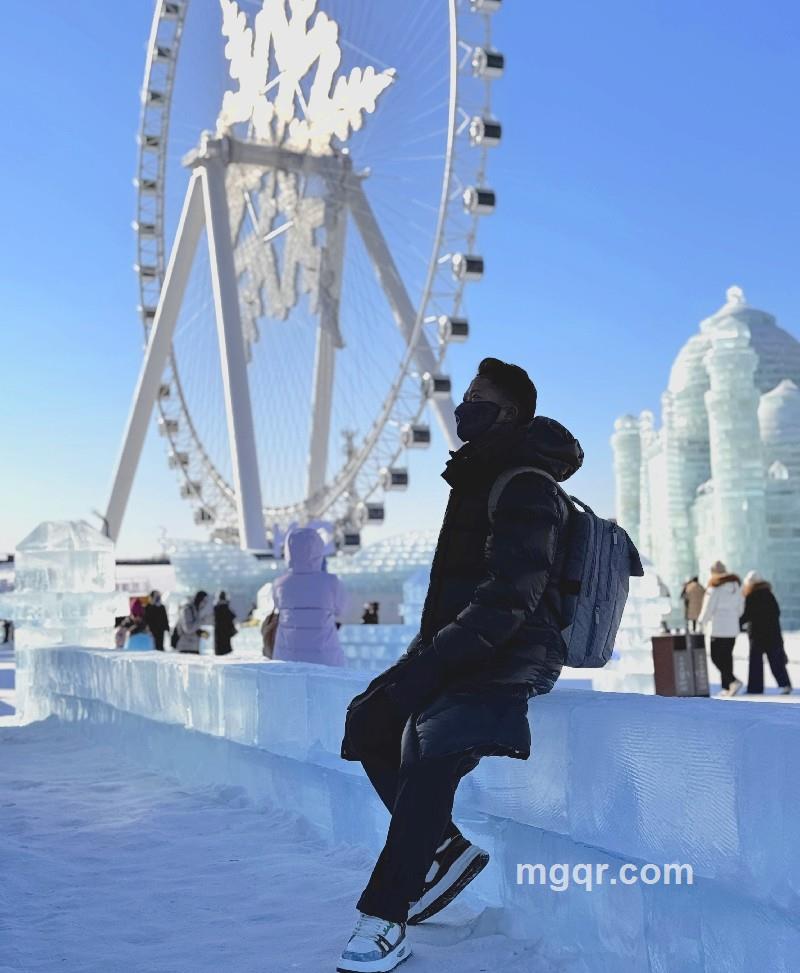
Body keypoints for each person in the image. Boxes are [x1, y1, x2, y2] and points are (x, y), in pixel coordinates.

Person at [337, 358, 583, 972]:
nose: (463, 407)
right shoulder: (482, 476)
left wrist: (435, 664)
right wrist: (426, 657)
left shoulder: (525, 482)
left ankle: (385, 916)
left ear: (509, 412)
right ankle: (443, 852)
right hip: (464, 645)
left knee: (430, 745)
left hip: (510, 653)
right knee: (369, 720)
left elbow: (510, 598)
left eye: (476, 398)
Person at [271, 528, 347, 666]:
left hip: (288, 656)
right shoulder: (331, 582)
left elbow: (277, 607)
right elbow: (341, 610)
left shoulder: (279, 584)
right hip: (325, 656)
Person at [741, 571, 791, 695]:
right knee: (776, 660)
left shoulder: (751, 596)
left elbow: (746, 615)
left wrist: (737, 624)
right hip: (773, 633)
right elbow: (777, 612)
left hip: (757, 634)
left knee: (755, 662)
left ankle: (755, 687)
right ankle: (785, 684)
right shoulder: (769, 594)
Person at [698, 561, 744, 697]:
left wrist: (701, 622)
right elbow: (741, 608)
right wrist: (733, 618)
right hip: (732, 629)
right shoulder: (736, 587)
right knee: (727, 658)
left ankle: (732, 681)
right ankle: (728, 687)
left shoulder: (714, 587)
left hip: (718, 629)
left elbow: (708, 608)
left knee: (715, 657)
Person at [213, 591, 237, 657]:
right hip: (226, 633)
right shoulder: (226, 607)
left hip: (218, 634)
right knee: (226, 653)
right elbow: (233, 616)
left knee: (219, 652)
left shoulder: (216, 608)